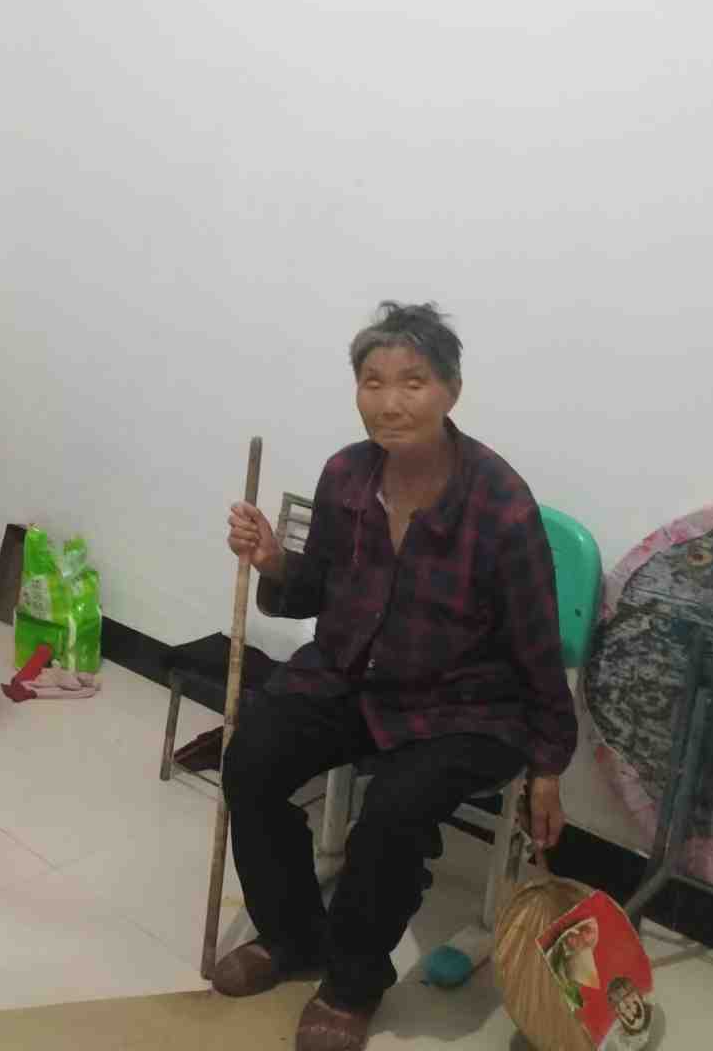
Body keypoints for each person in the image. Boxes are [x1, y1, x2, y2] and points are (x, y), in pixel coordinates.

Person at [216, 301, 579, 1051]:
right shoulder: (347, 475)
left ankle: (352, 982)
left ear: (451, 389)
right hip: (356, 674)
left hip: (467, 704)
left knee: (392, 813)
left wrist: (548, 765)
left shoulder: (502, 505)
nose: (390, 402)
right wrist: (273, 562)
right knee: (251, 757)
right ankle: (293, 936)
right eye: (372, 381)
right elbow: (314, 590)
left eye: (413, 382)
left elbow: (538, 645)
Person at [600, 975, 652, 1049]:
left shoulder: (655, 1009)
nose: (625, 1007)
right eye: (617, 1005)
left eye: (628, 996)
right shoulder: (617, 1040)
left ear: (638, 995)